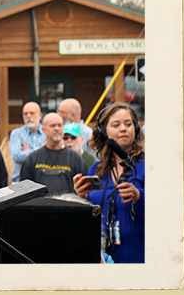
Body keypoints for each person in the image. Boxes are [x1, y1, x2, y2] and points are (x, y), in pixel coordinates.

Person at [73, 102, 144, 263]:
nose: (123, 128)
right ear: (104, 132)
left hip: (139, 256)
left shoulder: (148, 166)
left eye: (128, 124)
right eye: (116, 125)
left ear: (136, 129)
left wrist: (138, 195)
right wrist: (81, 198)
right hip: (104, 258)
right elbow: (89, 215)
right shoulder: (97, 170)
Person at [20, 113, 88, 195]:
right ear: (43, 130)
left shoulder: (76, 159)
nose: (57, 128)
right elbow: (23, 191)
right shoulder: (32, 159)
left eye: (60, 125)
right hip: (39, 207)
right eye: (52, 126)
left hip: (69, 206)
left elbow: (84, 190)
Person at [8, 101, 46, 182]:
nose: (28, 116)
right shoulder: (16, 134)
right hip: (19, 182)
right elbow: (16, 156)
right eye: (25, 114)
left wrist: (28, 152)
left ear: (40, 116)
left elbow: (47, 157)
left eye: (32, 113)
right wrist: (41, 150)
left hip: (42, 181)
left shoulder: (46, 133)